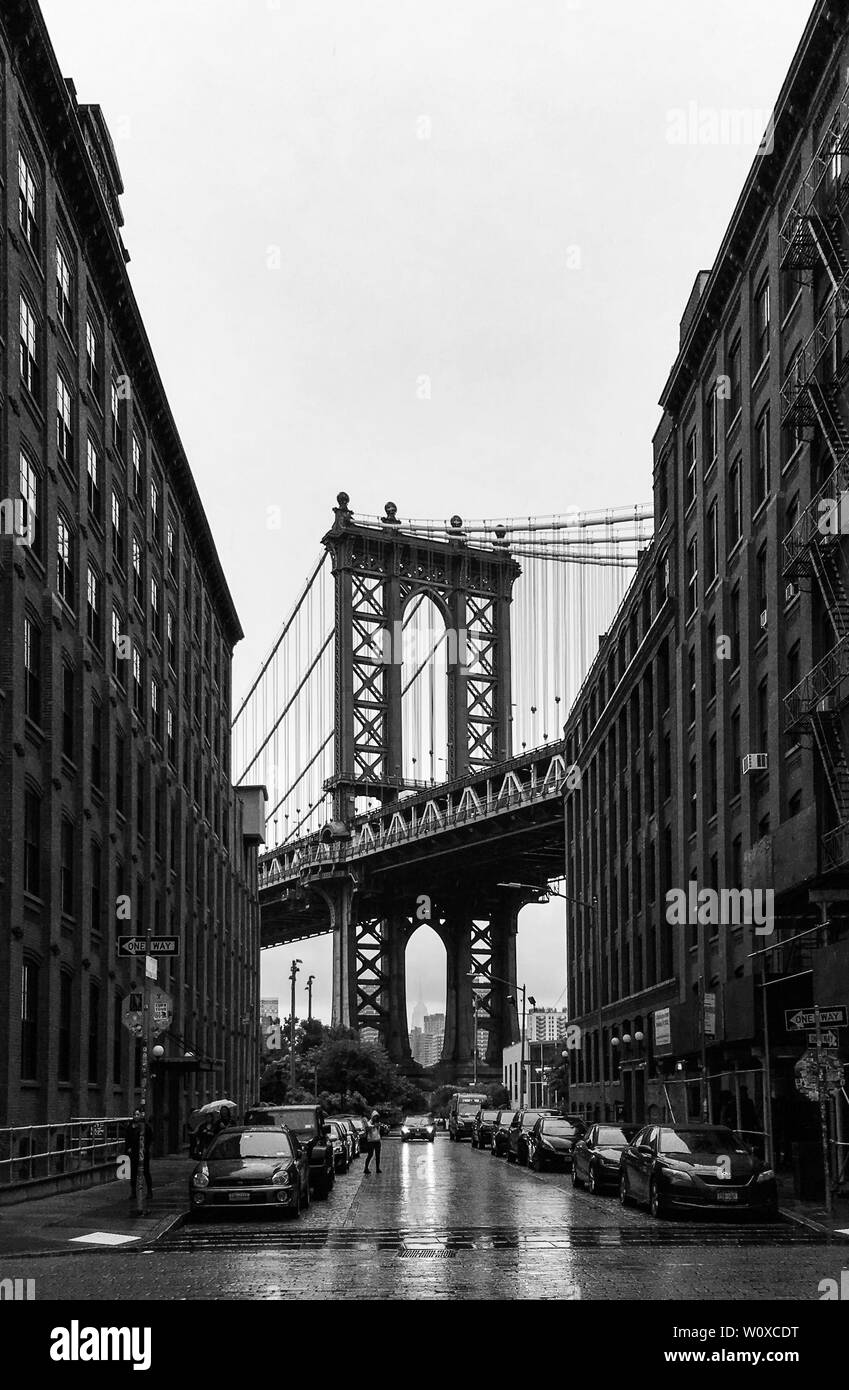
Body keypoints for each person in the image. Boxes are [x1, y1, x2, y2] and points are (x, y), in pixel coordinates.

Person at [124, 1108, 153, 1200]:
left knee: (145, 1172)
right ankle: (133, 1192)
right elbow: (127, 1138)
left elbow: (150, 1138)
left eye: (138, 1114)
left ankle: (149, 1192)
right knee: (133, 1173)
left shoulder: (145, 1126)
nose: (136, 1116)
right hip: (133, 1153)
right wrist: (128, 1148)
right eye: (134, 1115)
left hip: (142, 1153)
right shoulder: (130, 1127)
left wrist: (145, 1148)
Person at [363, 1110, 382, 1175]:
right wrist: (374, 1126)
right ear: (372, 1117)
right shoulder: (369, 1122)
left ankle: (377, 1168)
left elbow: (379, 1131)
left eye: (377, 1117)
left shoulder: (378, 1123)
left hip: (377, 1140)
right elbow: (368, 1128)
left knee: (378, 1155)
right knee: (370, 1154)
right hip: (371, 1141)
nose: (376, 1118)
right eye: (375, 1117)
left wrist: (378, 1126)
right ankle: (366, 1168)